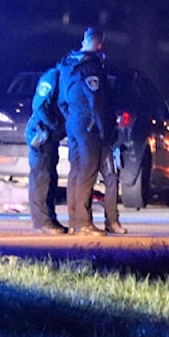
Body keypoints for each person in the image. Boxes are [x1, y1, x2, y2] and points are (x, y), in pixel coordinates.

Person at [57, 27, 124, 236]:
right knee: (88, 173)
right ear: (99, 44)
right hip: (92, 126)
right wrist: (107, 129)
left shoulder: (68, 65)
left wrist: (71, 118)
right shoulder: (91, 66)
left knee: (78, 172)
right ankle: (84, 223)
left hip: (75, 124)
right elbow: (97, 101)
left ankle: (77, 220)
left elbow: (62, 100)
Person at [25, 65, 68, 235]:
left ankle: (49, 217)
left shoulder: (66, 78)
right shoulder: (53, 77)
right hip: (41, 133)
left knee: (50, 177)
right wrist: (54, 126)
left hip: (51, 135)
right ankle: (42, 221)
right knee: (41, 177)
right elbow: (39, 105)